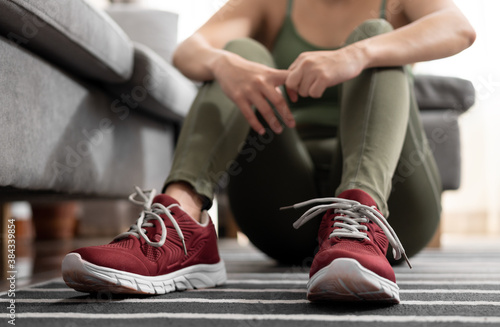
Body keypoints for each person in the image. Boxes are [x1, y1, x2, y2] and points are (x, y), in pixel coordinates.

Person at [62, 0, 475, 303]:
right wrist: (223, 64)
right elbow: (189, 51)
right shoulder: (275, 3)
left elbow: (459, 28)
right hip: (283, 210)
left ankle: (360, 216)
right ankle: (181, 225)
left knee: (374, 35)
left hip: (394, 213)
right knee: (239, 52)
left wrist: (356, 55)